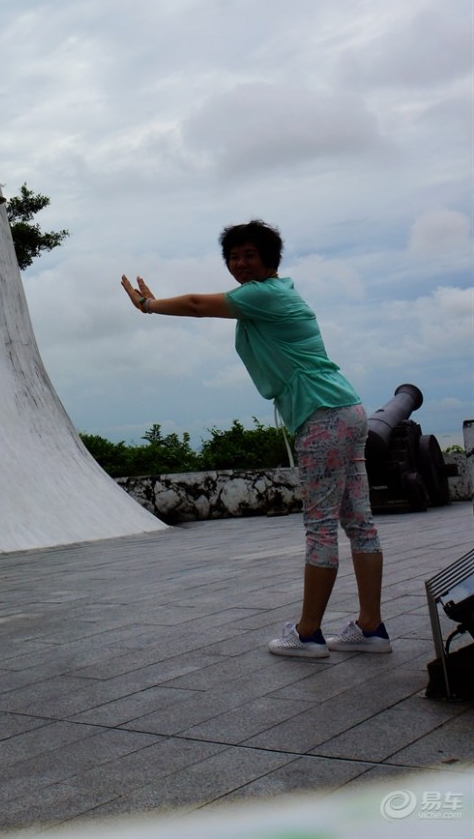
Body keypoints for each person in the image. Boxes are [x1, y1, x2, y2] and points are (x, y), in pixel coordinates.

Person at [120, 218, 390, 659]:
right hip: (346, 410)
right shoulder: (275, 295)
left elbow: (194, 304)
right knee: (359, 523)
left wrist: (148, 305)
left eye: (250, 255)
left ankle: (307, 634)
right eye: (234, 256)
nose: (240, 264)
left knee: (321, 526)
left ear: (270, 259)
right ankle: (371, 627)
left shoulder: (263, 294)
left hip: (321, 415)